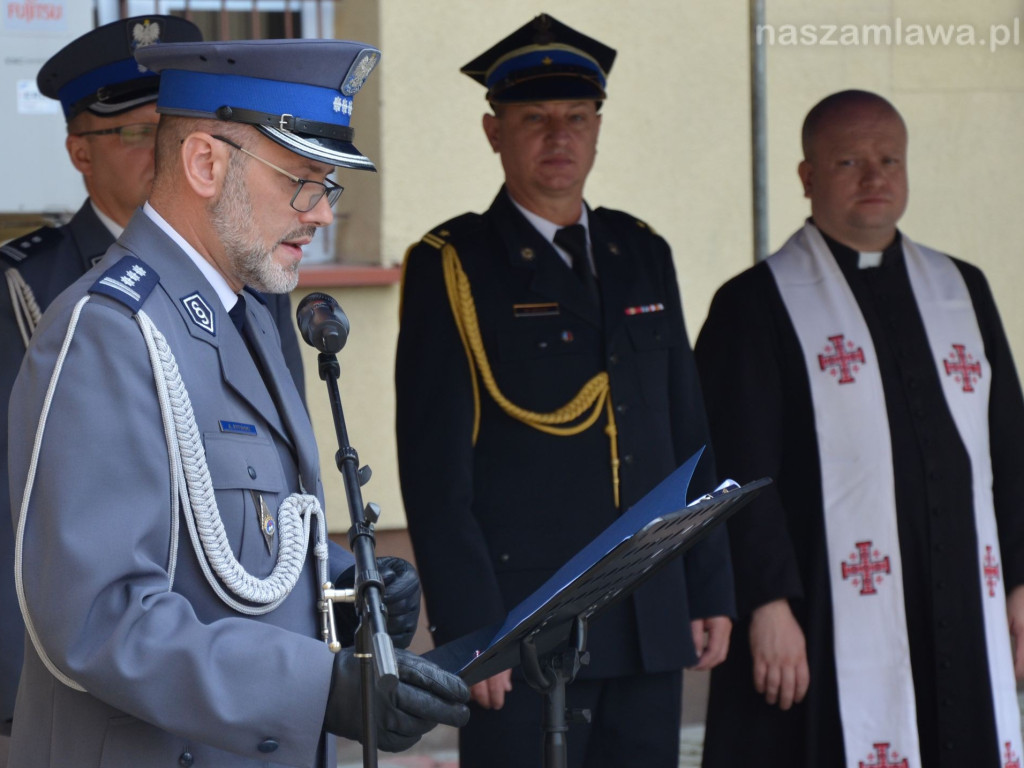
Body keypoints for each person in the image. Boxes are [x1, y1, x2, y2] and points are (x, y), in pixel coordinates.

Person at [7, 37, 469, 768]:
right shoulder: (107, 331)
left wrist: (347, 584)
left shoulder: (248, 314)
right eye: (302, 179)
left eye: (329, 185)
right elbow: (98, 619)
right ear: (203, 163)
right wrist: (322, 690)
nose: (320, 213)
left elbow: (240, 535)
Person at [395, 14, 734, 768]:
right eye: (535, 119)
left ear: (598, 128)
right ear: (494, 132)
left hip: (648, 610)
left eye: (577, 118)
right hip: (525, 621)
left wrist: (708, 587)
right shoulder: (454, 264)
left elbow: (688, 432)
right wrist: (474, 625)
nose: (559, 136)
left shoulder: (641, 251)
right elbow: (433, 470)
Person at [696, 90, 1024, 768]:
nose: (875, 178)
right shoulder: (753, 304)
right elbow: (735, 472)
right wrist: (765, 603)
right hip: (817, 611)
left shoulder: (961, 287)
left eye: (889, 160)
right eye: (849, 161)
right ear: (807, 177)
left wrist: (1022, 582)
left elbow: (1009, 449)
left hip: (961, 602)